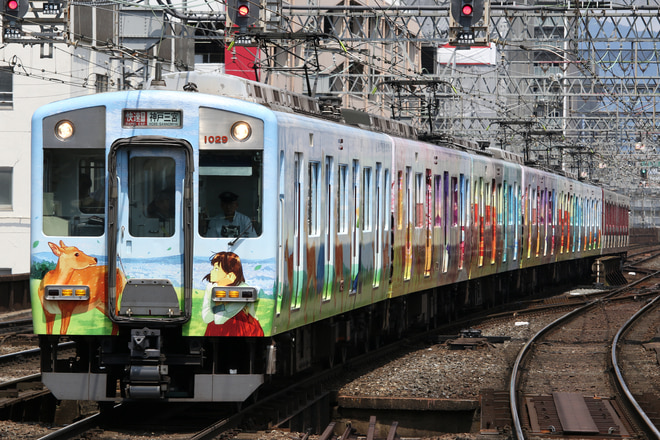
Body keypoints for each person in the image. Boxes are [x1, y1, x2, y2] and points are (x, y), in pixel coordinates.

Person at [201, 251, 263, 337]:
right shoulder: (210, 287)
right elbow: (206, 317)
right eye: (213, 268)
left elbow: (219, 319)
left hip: (243, 330)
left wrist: (216, 308)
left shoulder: (243, 289)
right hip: (217, 330)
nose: (211, 271)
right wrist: (222, 307)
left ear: (230, 275)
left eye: (216, 269)